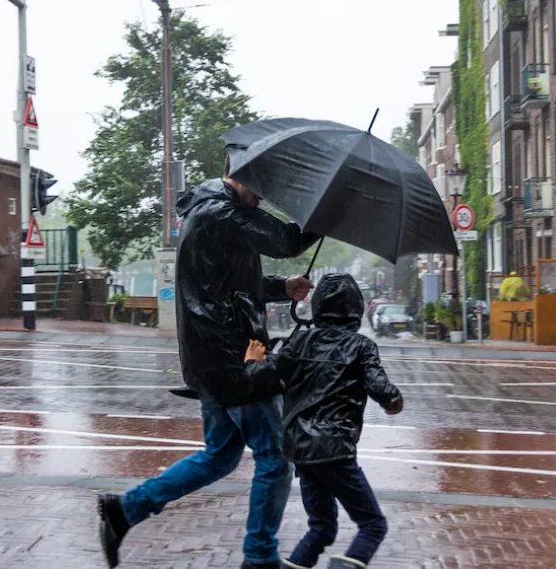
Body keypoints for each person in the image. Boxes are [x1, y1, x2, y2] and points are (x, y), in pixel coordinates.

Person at [98, 159, 320, 569]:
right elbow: (286, 241)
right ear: (243, 175)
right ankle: (260, 559)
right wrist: (325, 213)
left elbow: (230, 284)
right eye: (261, 187)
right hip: (234, 359)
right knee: (276, 458)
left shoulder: (209, 211)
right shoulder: (221, 211)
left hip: (212, 358)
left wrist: (282, 286)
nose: (263, 197)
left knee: (220, 455)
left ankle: (125, 509)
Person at [244, 273, 403, 569]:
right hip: (335, 449)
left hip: (301, 449)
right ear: (356, 307)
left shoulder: (300, 341)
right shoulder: (361, 346)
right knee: (373, 525)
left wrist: (253, 361)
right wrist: (394, 401)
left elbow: (263, 376)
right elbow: (382, 389)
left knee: (321, 528)